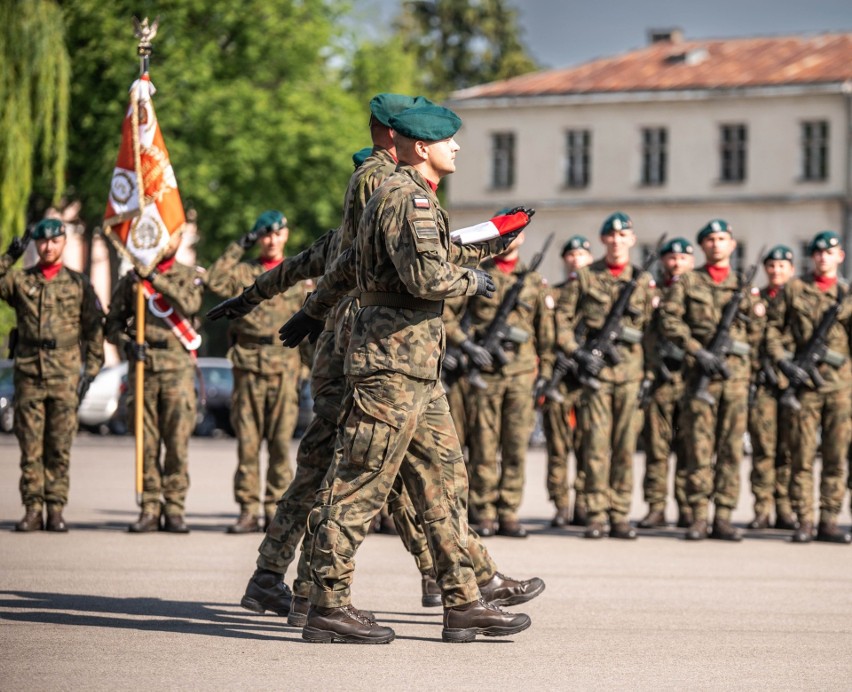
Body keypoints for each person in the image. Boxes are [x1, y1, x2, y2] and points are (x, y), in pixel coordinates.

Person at [298, 104, 537, 644]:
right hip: (391, 366)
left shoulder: (408, 197)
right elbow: (427, 275)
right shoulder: (408, 199)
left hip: (414, 367)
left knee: (444, 484)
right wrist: (473, 281)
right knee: (360, 481)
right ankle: (327, 604)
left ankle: (463, 601)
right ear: (419, 147)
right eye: (447, 141)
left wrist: (493, 239)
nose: (455, 148)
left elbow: (351, 265)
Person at [660, 219, 764, 541]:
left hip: (734, 379)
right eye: (710, 240)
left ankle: (724, 516)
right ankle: (698, 517)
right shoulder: (688, 283)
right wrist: (697, 351)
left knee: (731, 449)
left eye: (722, 239)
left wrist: (740, 353)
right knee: (698, 450)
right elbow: (669, 320)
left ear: (731, 245)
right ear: (702, 246)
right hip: (699, 378)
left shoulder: (744, 286)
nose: (716, 244)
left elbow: (759, 331)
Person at [554, 212, 655, 540]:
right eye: (610, 235)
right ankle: (596, 513)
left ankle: (620, 513)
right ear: (603, 240)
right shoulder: (584, 277)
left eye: (623, 235)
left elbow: (652, 330)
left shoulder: (641, 280)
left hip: (629, 374)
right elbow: (563, 321)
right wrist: (577, 352)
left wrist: (650, 373)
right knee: (595, 446)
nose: (616, 240)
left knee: (625, 446)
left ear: (632, 240)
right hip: (596, 377)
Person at [0, 218, 104, 532]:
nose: (48, 247)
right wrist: (8, 257)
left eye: (54, 241)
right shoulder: (20, 281)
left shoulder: (78, 283)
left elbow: (94, 328)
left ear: (63, 243)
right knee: (30, 446)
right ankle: (33, 508)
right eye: (42, 242)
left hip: (65, 374)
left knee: (59, 446)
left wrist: (93, 369)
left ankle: (56, 508)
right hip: (30, 372)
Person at [206, 210, 305, 533]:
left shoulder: (297, 275)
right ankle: (248, 510)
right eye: (264, 235)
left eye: (277, 234)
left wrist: (308, 370)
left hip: (285, 366)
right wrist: (240, 244)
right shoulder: (244, 273)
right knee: (247, 444)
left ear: (285, 235)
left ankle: (275, 509)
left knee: (279, 445)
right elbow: (214, 279)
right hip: (248, 365)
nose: (271, 240)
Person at [105, 231, 204, 533]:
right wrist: (126, 343)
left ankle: (174, 508)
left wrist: (154, 278)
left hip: (177, 368)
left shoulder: (188, 276)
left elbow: (190, 304)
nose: (165, 242)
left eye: (171, 235)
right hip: (143, 367)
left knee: (176, 442)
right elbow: (111, 325)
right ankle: (149, 506)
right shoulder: (132, 281)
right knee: (146, 442)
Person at [463, 230, 553, 538]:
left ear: (523, 238)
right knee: (483, 447)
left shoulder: (532, 281)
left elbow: (545, 332)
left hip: (521, 374)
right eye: (504, 234)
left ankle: (508, 511)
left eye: (515, 234)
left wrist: (546, 373)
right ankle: (484, 511)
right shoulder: (476, 275)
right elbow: (449, 318)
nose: (509, 240)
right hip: (485, 375)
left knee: (515, 446)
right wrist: (468, 345)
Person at [764, 231, 852, 544]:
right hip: (803, 385)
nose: (823, 257)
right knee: (801, 456)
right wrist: (784, 362)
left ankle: (829, 519)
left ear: (840, 256)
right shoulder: (794, 289)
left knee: (834, 456)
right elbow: (773, 328)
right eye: (817, 253)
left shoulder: (846, 293)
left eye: (829, 253)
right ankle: (805, 520)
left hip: (840, 387)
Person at [638, 237, 694, 529]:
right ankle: (656, 507)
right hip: (658, 379)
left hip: (689, 378)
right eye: (671, 258)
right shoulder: (651, 292)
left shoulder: (698, 291)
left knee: (688, 446)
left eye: (682, 258)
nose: (676, 263)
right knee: (656, 448)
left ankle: (686, 507)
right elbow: (644, 331)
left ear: (691, 261)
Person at [540, 235, 593, 528]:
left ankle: (584, 503)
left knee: (588, 446)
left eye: (582, 254)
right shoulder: (553, 294)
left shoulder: (597, 294)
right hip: (560, 380)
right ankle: (561, 504)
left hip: (586, 379)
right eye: (571, 254)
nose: (576, 259)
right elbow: (545, 333)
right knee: (558, 447)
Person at [746, 245, 797, 531]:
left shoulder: (799, 299)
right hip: (763, 384)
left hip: (791, 383)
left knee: (788, 449)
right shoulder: (756, 300)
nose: (776, 271)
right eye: (772, 266)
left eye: (782, 266)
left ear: (790, 269)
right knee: (763, 448)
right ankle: (762, 509)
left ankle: (785, 507)